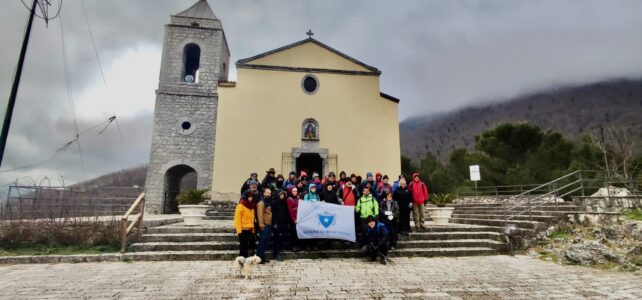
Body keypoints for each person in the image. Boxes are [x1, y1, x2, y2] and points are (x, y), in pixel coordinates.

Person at [234, 193, 256, 258]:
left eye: (251, 197)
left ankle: (246, 260)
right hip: (242, 230)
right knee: (243, 247)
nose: (250, 198)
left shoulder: (251, 207)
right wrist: (239, 231)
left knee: (248, 246)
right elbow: (237, 219)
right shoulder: (240, 206)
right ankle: (240, 261)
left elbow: (252, 219)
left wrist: (253, 229)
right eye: (249, 197)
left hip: (249, 230)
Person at [256, 188, 273, 263]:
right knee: (262, 242)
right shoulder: (261, 203)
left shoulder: (267, 202)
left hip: (268, 225)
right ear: (264, 193)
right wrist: (261, 225)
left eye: (270, 193)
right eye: (267, 193)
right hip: (264, 225)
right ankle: (258, 258)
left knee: (265, 242)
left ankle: (262, 257)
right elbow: (259, 215)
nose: (269, 194)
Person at [272, 190, 290, 261]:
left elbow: (286, 212)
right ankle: (276, 254)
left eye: (283, 195)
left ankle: (279, 252)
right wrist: (274, 223)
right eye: (281, 195)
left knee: (281, 239)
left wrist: (287, 222)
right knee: (276, 239)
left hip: (284, 224)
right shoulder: (274, 202)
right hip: (277, 224)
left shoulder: (284, 202)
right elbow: (273, 214)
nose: (282, 196)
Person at [286, 187, 301, 252]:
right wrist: (294, 219)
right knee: (293, 233)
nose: (295, 192)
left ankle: (297, 245)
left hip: (298, 217)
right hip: (293, 219)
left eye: (296, 191)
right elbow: (290, 210)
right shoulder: (289, 199)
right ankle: (293, 246)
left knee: (297, 233)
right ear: (291, 192)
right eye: (293, 191)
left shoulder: (298, 198)